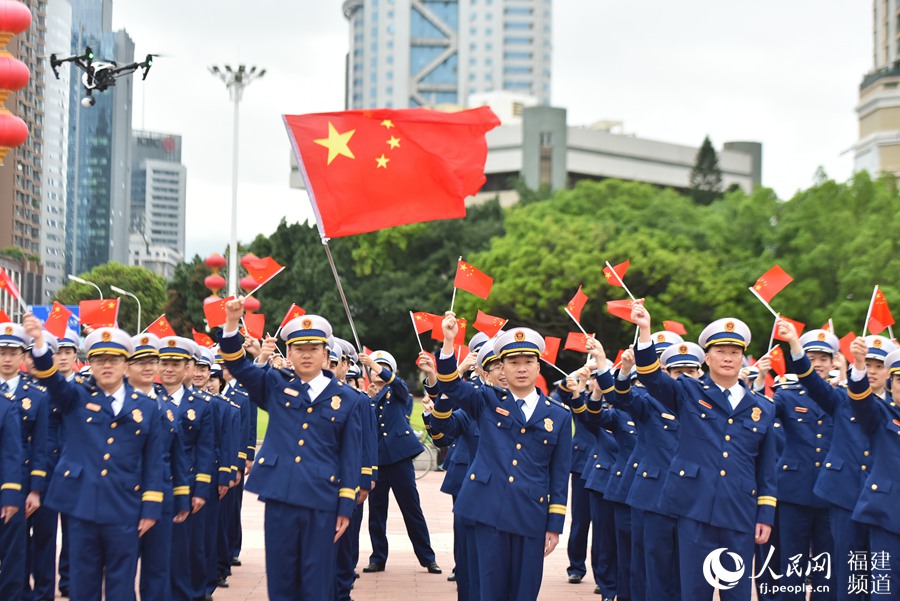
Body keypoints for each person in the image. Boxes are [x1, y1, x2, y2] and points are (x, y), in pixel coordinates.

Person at [630, 304, 777, 601]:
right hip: (694, 511)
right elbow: (651, 378)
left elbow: (766, 468)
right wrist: (645, 332)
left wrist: (765, 515)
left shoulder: (763, 407)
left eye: (734, 352)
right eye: (721, 351)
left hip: (738, 514)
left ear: (743, 358)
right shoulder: (688, 392)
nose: (728, 358)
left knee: (736, 594)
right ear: (707, 357)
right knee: (694, 592)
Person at [219, 299, 363, 601]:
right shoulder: (274, 384)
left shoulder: (348, 400)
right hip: (280, 496)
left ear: (326, 354)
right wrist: (232, 323)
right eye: (299, 349)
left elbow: (350, 457)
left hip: (322, 501)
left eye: (313, 349)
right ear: (290, 353)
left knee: (317, 581)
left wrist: (346, 507)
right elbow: (237, 364)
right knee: (281, 580)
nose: (306, 355)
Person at [24, 317, 163, 601]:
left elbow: (153, 461)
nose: (107, 366)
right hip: (82, 506)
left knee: (121, 583)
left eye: (113, 359)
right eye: (99, 360)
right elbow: (51, 379)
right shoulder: (75, 397)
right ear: (91, 365)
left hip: (125, 507)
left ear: (126, 364)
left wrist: (150, 507)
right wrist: (39, 344)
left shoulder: (147, 408)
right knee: (82, 582)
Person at [435, 315, 572, 601]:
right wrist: (449, 342)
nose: (521, 369)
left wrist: (554, 526)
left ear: (538, 365)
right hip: (488, 510)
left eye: (527, 362)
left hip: (530, 515)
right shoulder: (485, 400)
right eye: (513, 363)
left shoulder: (558, 415)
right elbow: (450, 385)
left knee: (525, 590)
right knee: (490, 589)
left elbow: (559, 476)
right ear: (502, 367)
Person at [778, 321, 889, 601]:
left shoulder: (893, 409)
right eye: (868, 365)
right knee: (840, 571)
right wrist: (794, 344)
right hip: (843, 495)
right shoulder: (840, 399)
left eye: (879, 366)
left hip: (881, 502)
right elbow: (811, 380)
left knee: (878, 574)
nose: (873, 372)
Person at [756, 327, 836, 600]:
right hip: (793, 491)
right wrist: (756, 383)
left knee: (826, 565)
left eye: (824, 358)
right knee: (792, 560)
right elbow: (761, 415)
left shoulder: (842, 399)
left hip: (830, 493)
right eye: (812, 357)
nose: (818, 364)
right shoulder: (788, 396)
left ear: (833, 362)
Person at [360, 349, 440, 575]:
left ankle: (427, 558)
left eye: (383, 367)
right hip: (378, 461)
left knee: (411, 509)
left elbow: (399, 387)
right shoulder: (370, 398)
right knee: (376, 512)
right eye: (376, 367)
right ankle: (378, 558)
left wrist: (374, 366)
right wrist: (372, 397)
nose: (378, 370)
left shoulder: (397, 391)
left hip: (400, 459)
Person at [128, 333, 191, 601]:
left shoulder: (168, 406)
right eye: (139, 361)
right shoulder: (118, 403)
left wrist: (182, 497)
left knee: (158, 569)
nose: (147, 367)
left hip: (162, 496)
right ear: (127, 365)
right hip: (124, 496)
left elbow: (178, 455)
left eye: (152, 361)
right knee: (123, 569)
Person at [157, 336, 214, 601]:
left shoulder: (202, 404)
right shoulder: (148, 399)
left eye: (175, 364)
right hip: (154, 484)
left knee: (188, 547)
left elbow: (205, 448)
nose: (169, 368)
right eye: (164, 363)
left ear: (188, 368)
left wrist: (201, 489)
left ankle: (191, 592)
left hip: (188, 484)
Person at [850, 344, 900, 595]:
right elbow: (861, 400)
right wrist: (859, 366)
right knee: (885, 590)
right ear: (892, 384)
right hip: (887, 518)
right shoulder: (882, 415)